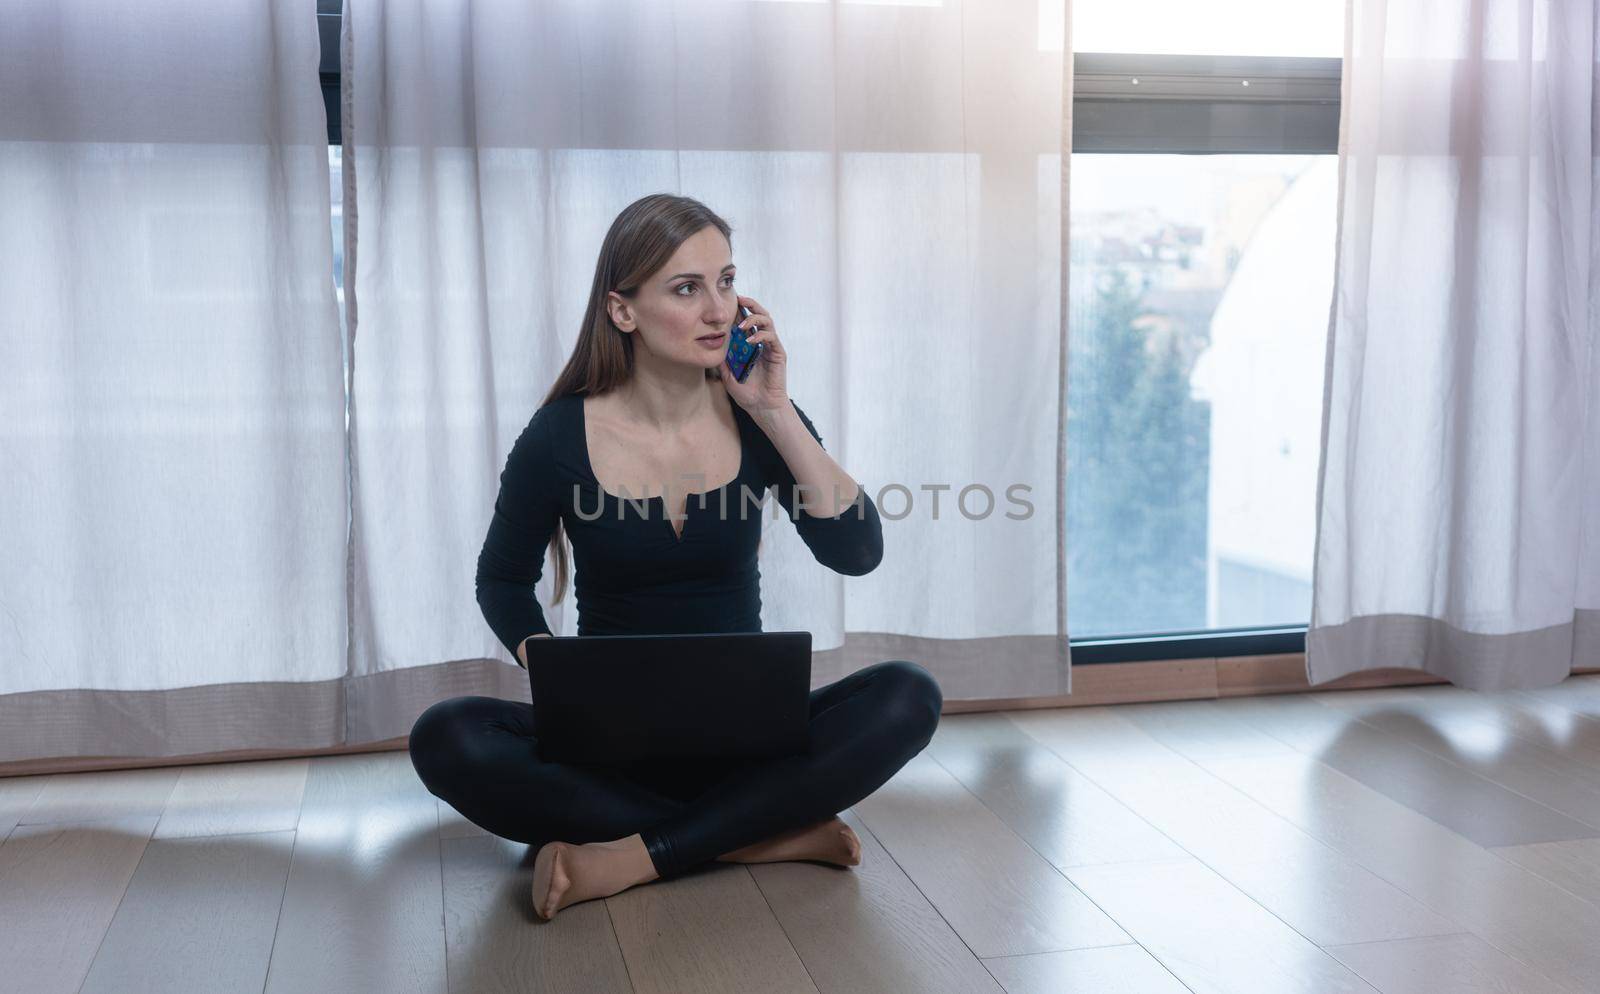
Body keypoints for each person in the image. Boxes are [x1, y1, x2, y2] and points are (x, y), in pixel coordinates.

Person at [407, 193, 943, 921]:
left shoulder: (757, 415)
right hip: (606, 743)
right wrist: (556, 674)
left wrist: (776, 411)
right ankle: (759, 833)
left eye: (726, 281)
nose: (719, 311)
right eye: (687, 289)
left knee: (908, 694)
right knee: (447, 736)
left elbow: (857, 551)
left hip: (746, 734)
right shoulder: (559, 434)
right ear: (623, 310)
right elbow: (502, 579)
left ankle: (627, 854)